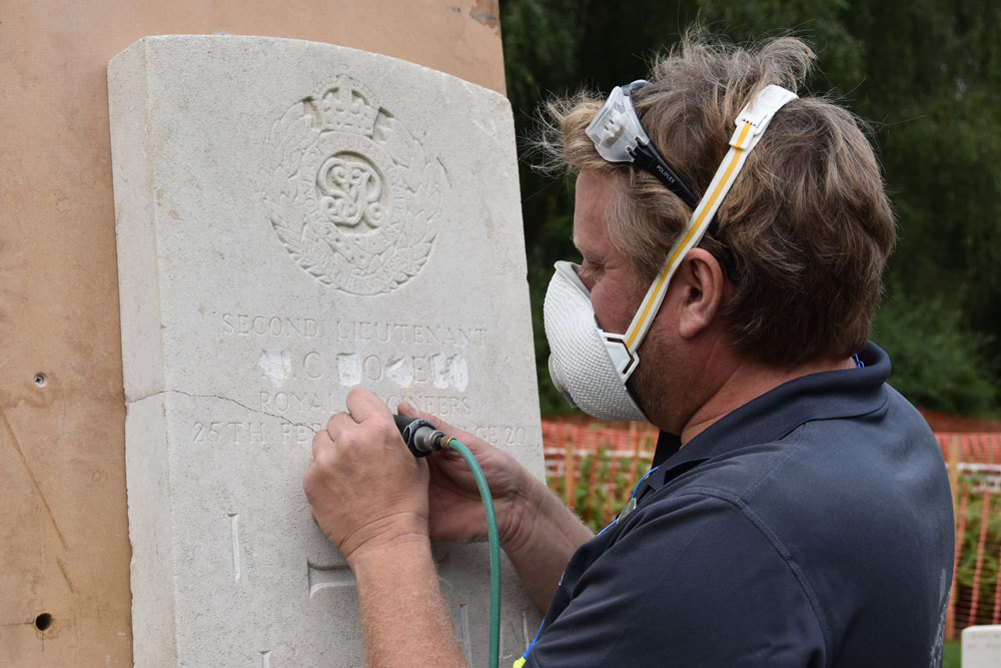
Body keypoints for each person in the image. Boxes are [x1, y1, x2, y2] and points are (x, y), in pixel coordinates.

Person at [303, 31, 954, 667]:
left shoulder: (730, 536)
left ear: (696, 289)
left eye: (595, 265)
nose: (575, 287)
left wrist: (384, 539)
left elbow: (695, 591)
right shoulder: (879, 430)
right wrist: (521, 516)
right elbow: (678, 633)